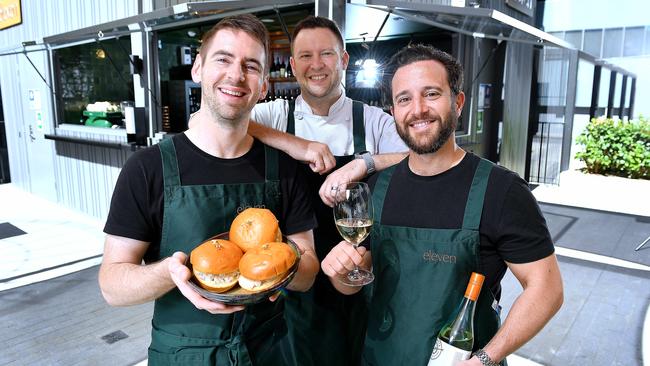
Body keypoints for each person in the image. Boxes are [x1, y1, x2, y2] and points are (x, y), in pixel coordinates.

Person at [321, 44, 564, 366]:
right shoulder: (376, 188)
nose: (418, 109)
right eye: (404, 99)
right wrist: (340, 273)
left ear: (458, 102)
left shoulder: (501, 190)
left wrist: (485, 359)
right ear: (393, 111)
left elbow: (546, 290)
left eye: (431, 93)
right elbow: (354, 283)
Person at [98, 14, 319, 366]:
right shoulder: (147, 169)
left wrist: (281, 273)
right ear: (198, 68)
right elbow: (112, 284)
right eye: (223, 59)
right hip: (183, 355)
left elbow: (307, 273)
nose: (235, 74)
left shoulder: (285, 169)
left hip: (270, 351)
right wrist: (170, 271)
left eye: (251, 66)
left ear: (263, 86)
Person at [247, 16, 407, 366]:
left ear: (344, 60)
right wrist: (297, 145)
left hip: (357, 278)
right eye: (305, 56)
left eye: (326, 54)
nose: (315, 65)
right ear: (292, 65)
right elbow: (206, 121)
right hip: (293, 283)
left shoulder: (372, 120)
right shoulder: (275, 114)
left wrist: (364, 163)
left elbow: (421, 157)